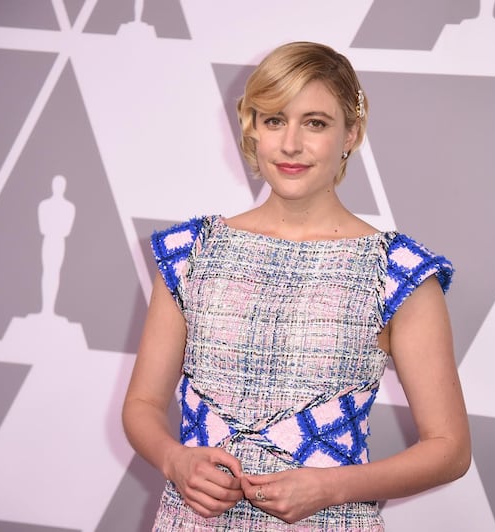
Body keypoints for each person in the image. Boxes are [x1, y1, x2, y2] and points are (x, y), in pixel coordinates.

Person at [122, 41, 471, 530]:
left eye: (315, 123)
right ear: (252, 130)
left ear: (351, 133)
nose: (290, 144)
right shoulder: (191, 253)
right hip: (192, 520)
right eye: (273, 120)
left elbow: (449, 449)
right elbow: (141, 405)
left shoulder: (397, 272)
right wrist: (174, 460)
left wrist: (329, 488)